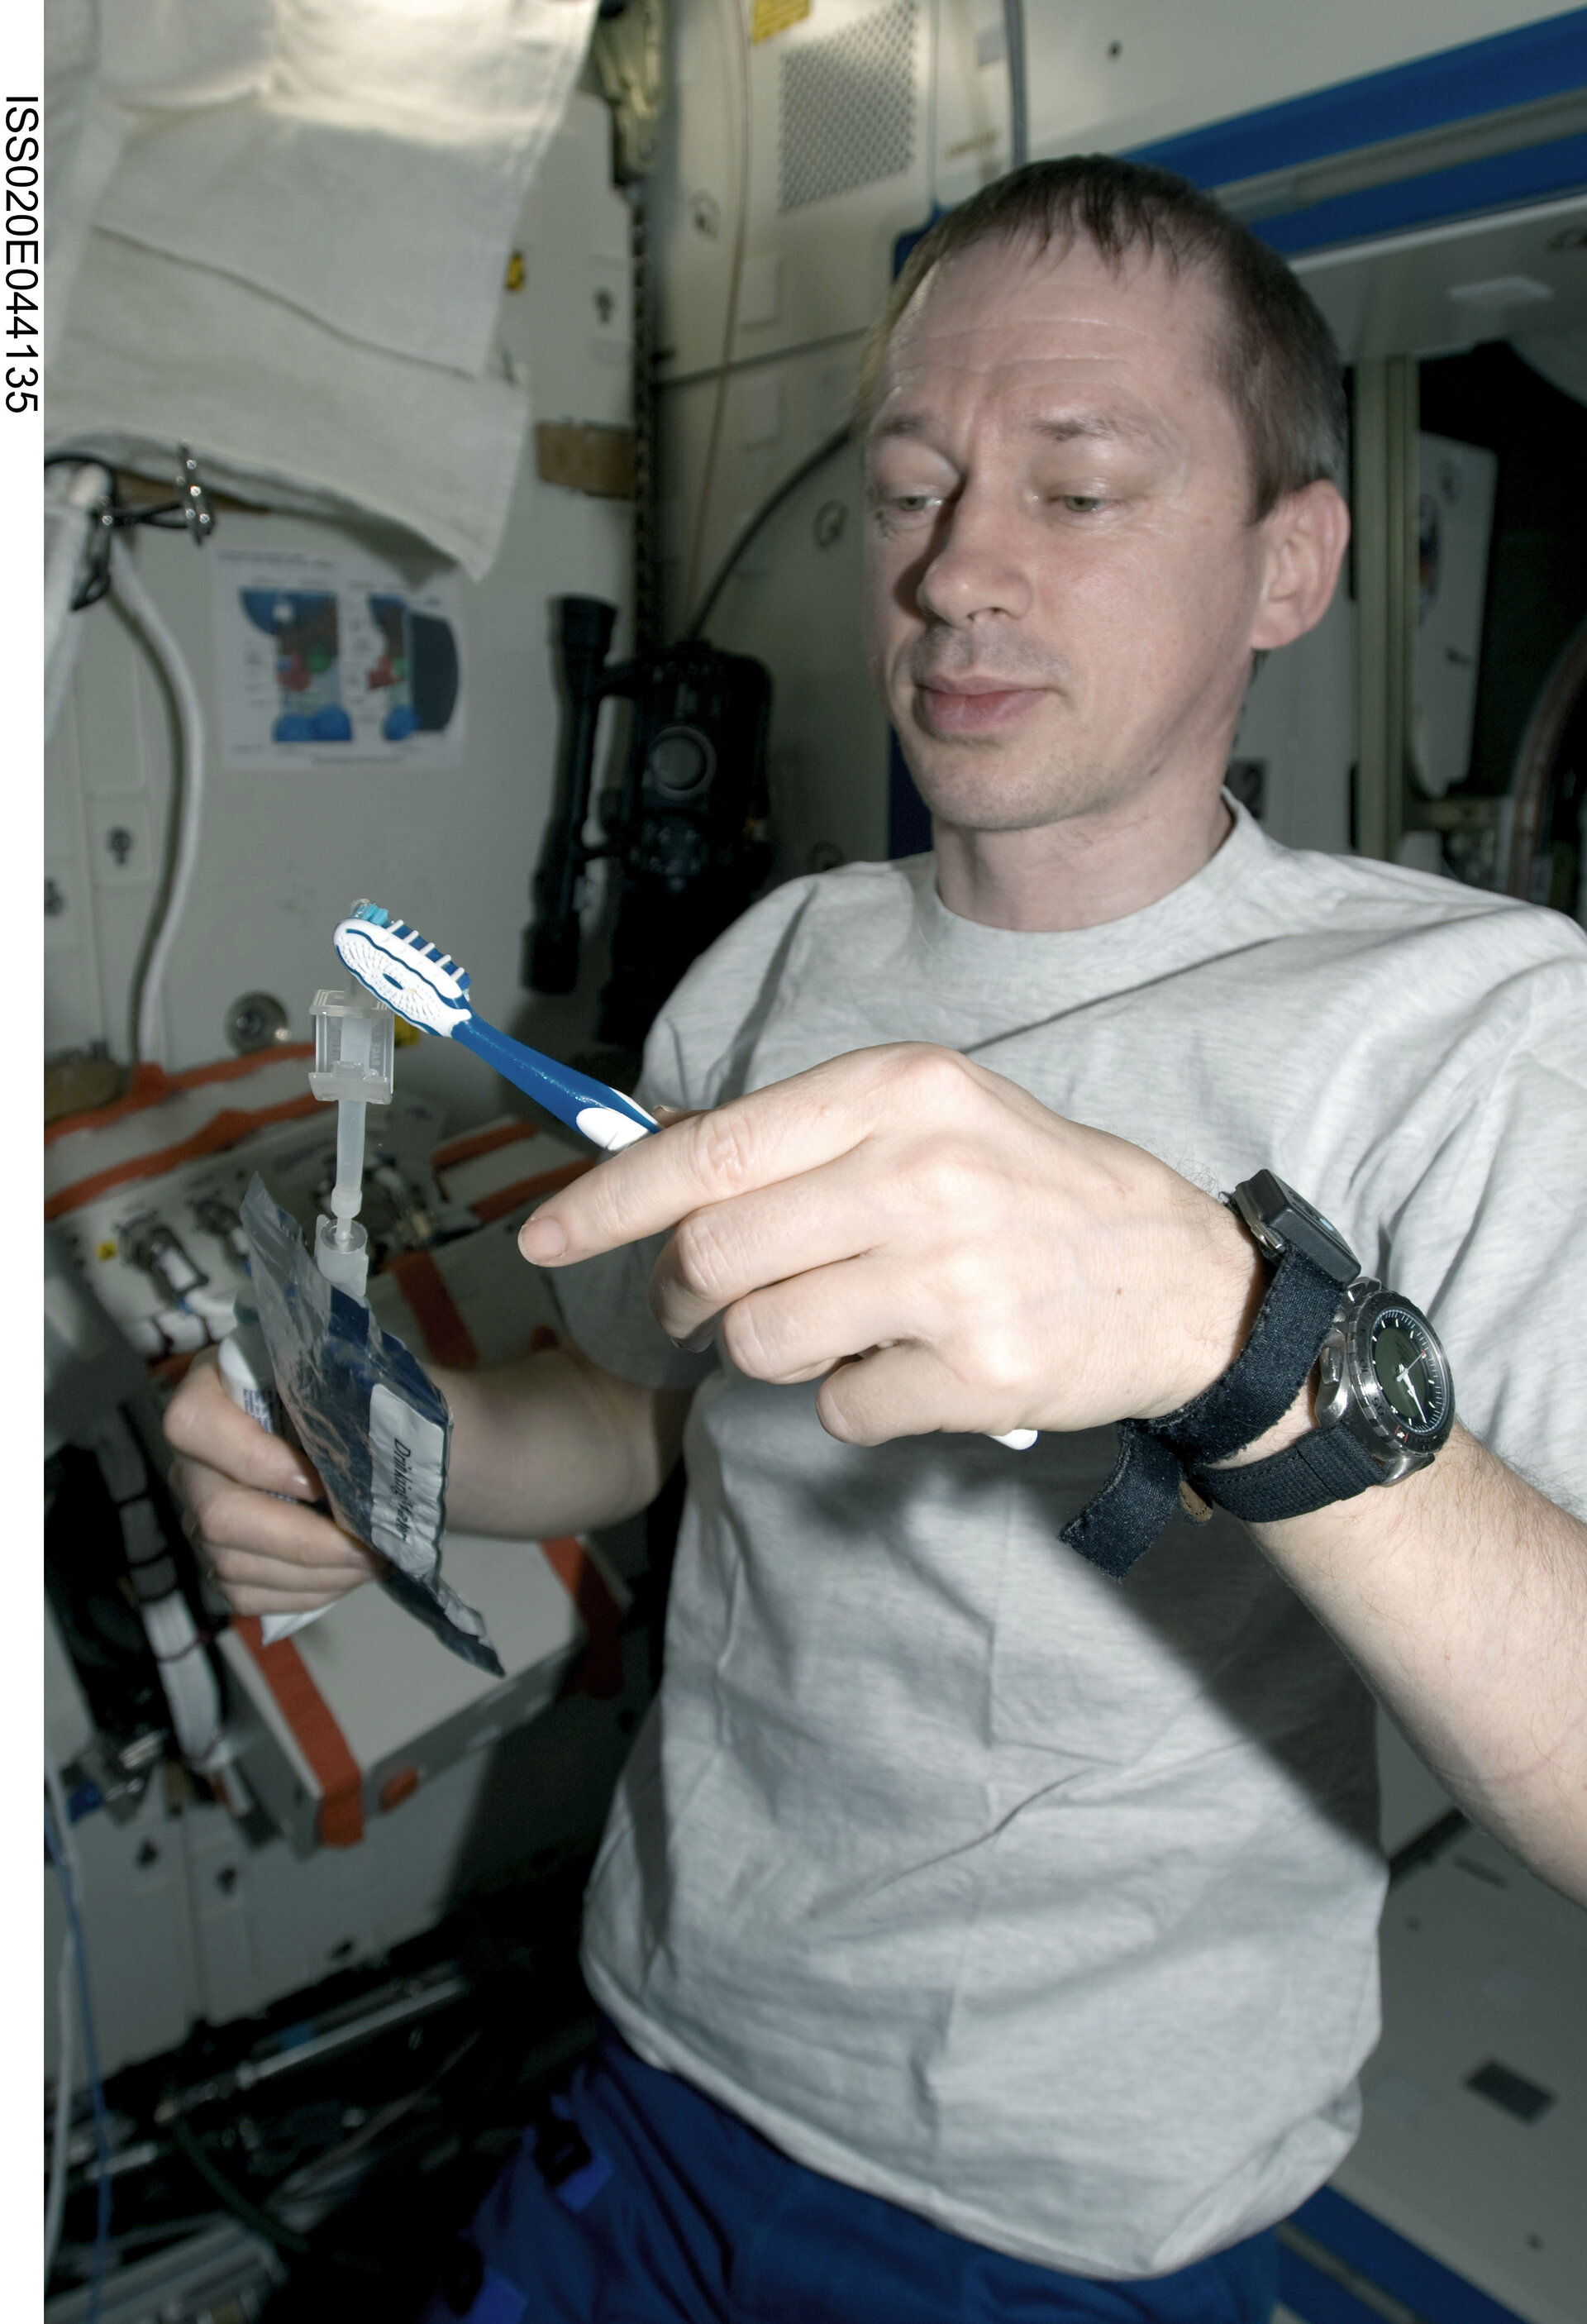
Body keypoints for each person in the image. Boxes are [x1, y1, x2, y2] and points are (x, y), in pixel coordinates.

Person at [166, 157, 1587, 2324]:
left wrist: (1236, 1330)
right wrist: (379, 1451)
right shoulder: (768, 968)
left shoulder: (1475, 1033)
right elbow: (633, 1428)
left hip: (1065, 2223)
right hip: (659, 2070)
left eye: (1077, 491)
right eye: (910, 488)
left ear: (1292, 562)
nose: (955, 572)